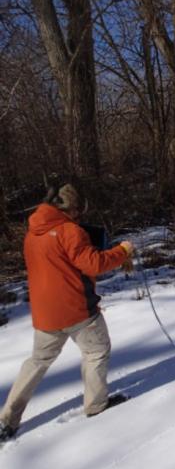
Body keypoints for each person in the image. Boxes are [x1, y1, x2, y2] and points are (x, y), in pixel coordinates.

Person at [0, 184, 135, 441]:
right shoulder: (70, 231)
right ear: (71, 209)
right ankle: (96, 405)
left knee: (37, 362)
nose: (80, 216)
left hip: (45, 314)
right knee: (96, 351)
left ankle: (7, 419)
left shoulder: (32, 233)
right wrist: (122, 251)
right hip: (77, 310)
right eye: (78, 211)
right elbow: (93, 264)